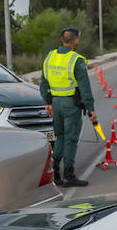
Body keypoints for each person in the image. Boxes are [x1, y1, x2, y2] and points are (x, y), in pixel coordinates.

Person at [40, 27, 98, 188]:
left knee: (59, 137)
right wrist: (91, 109)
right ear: (75, 41)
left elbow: (43, 83)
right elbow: (85, 88)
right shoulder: (76, 60)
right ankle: (69, 175)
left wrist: (48, 102)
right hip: (70, 105)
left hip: (56, 104)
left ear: (62, 40)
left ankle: (55, 172)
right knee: (71, 139)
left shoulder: (50, 57)